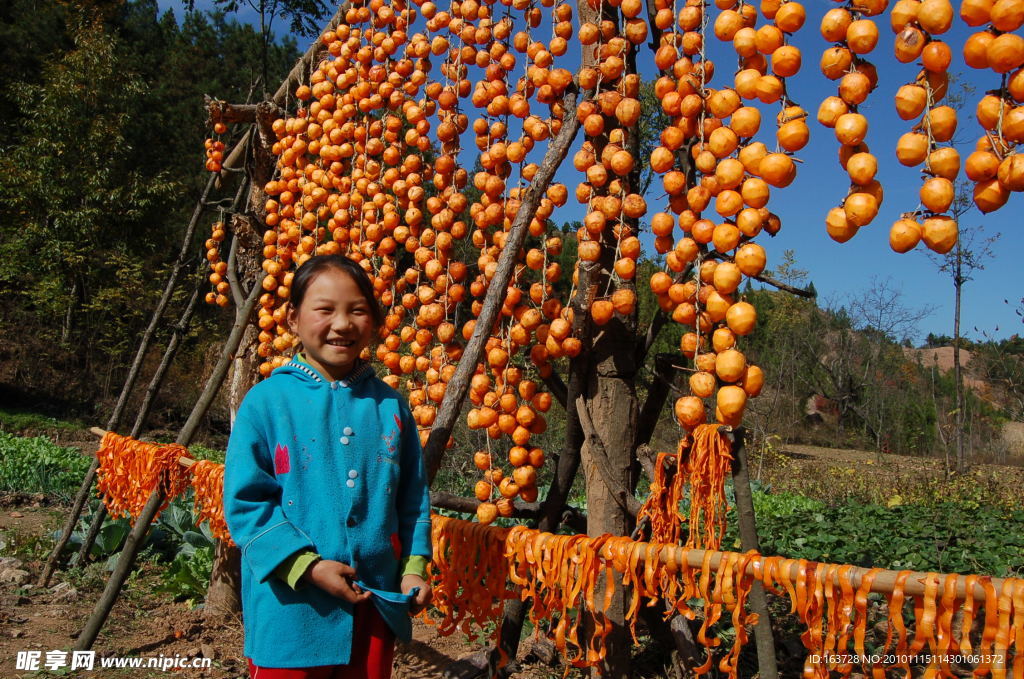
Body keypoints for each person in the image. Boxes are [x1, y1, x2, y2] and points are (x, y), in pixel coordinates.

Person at [224, 254, 432, 679]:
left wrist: (413, 568)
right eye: (325, 310)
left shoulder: (391, 407)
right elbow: (246, 504)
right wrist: (308, 566)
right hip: (291, 609)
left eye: (357, 310)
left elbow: (413, 500)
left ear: (373, 320)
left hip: (374, 607)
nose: (342, 324)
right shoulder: (266, 403)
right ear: (292, 318)